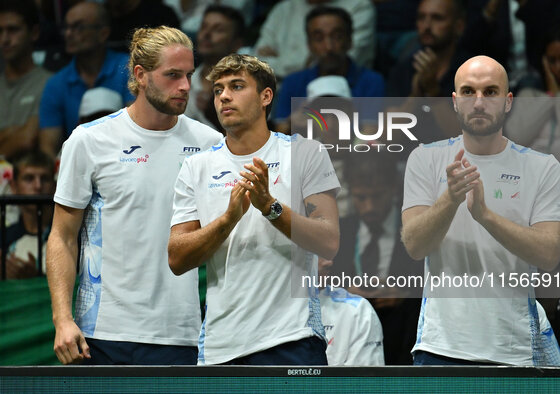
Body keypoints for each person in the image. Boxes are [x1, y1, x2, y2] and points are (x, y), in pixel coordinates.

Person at [46, 26, 222, 365]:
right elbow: (62, 237)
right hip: (101, 333)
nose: (185, 86)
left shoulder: (209, 144)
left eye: (189, 75)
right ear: (140, 75)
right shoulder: (89, 141)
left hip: (182, 333)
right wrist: (62, 320)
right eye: (172, 75)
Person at [168, 54, 340, 365]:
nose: (224, 97)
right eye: (218, 89)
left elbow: (329, 240)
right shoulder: (196, 167)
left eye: (236, 86)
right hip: (222, 345)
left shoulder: (305, 153)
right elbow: (177, 258)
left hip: (293, 338)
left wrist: (269, 207)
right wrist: (228, 220)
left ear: (265, 96)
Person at [401, 55, 560, 365]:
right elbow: (414, 245)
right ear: (454, 101)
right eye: (468, 92)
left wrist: (486, 217)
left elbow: (549, 254)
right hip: (441, 346)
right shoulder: (425, 159)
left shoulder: (542, 167)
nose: (478, 102)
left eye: (490, 92)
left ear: (507, 101)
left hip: (515, 347)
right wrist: (450, 199)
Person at [505, 24, 560, 276]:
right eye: (552, 60)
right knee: (537, 152)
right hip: (538, 184)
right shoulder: (530, 95)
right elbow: (518, 134)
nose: (559, 67)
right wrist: (552, 94)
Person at [332, 150, 421, 365]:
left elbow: (434, 285)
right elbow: (321, 285)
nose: (369, 206)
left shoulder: (415, 231)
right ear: (350, 191)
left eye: (377, 196)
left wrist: (406, 295)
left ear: (393, 189)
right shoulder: (339, 233)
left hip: (402, 338)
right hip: (350, 343)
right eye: (361, 197)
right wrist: (346, 292)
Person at [38, 1, 134, 158]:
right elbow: (47, 149)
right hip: (77, 164)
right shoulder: (56, 84)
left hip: (125, 159)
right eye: (66, 27)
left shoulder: (129, 68)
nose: (68, 33)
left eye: (78, 27)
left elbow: (139, 127)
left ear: (103, 33)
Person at [274, 6, 384, 131]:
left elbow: (371, 133)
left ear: (350, 40)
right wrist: (291, 123)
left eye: (337, 36)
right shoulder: (293, 82)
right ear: (309, 44)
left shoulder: (371, 81)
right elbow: (279, 131)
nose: (328, 47)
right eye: (319, 38)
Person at [254, 0, 376, 79]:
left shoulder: (360, 6)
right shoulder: (283, 9)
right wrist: (304, 63)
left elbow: (335, 62)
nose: (327, 46)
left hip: (346, 90)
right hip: (274, 89)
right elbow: (256, 64)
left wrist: (279, 60)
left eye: (336, 36)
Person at [0, 0, 52, 161]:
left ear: (34, 32)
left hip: (31, 181)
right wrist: (14, 132)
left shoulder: (50, 83)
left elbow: (26, 140)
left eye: (13, 30)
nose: (4, 39)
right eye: (0, 31)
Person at [387, 0, 471, 98]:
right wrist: (416, 95)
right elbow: (390, 113)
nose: (426, 26)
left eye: (437, 18)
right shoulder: (404, 68)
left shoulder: (472, 71)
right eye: (421, 18)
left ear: (459, 26)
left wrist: (432, 90)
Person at [184, 5, 245, 132]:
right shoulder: (183, 81)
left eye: (218, 30)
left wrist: (214, 114)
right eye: (204, 27)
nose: (206, 34)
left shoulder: (247, 87)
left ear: (237, 44)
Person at [318, 259, 385, 366]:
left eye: (326, 253)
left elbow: (365, 380)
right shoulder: (282, 309)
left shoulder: (358, 309)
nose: (328, 263)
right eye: (315, 252)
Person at [4, 150, 55, 280]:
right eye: (29, 178)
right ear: (14, 186)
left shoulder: (71, 237)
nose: (38, 186)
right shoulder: (4, 238)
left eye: (45, 179)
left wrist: (34, 279)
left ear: (55, 186)